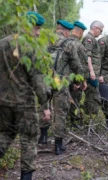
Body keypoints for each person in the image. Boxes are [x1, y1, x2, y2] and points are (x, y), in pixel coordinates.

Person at [0, 12, 51, 180]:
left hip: (3, 101)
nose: (37, 33)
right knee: (28, 139)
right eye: (36, 29)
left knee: (5, 134)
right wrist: (45, 106)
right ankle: (26, 177)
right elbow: (38, 80)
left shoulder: (3, 43)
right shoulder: (31, 47)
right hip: (24, 103)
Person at [51, 20, 86, 155]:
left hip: (45, 79)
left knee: (43, 108)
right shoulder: (69, 43)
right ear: (66, 31)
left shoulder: (45, 40)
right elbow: (76, 64)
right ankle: (58, 146)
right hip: (60, 81)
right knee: (61, 112)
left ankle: (42, 138)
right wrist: (81, 79)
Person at [68, 20, 88, 129]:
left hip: (62, 78)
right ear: (80, 33)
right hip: (75, 79)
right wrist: (81, 81)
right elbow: (81, 65)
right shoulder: (79, 45)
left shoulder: (64, 41)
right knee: (75, 100)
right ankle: (73, 123)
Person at [82, 20, 104, 116]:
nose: (101, 33)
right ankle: (89, 120)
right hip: (91, 75)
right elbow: (88, 56)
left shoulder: (93, 40)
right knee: (93, 98)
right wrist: (91, 71)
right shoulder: (88, 39)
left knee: (93, 98)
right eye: (101, 30)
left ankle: (88, 118)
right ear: (95, 28)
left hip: (94, 75)